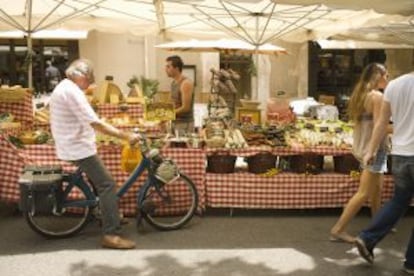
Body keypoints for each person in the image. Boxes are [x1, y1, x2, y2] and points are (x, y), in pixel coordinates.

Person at [49, 58, 140, 249]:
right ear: (79, 76)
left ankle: (108, 214)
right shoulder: (71, 92)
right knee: (107, 184)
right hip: (77, 147)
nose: (90, 84)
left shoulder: (66, 87)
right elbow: (95, 123)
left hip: (74, 143)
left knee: (100, 185)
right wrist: (124, 135)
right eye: (88, 80)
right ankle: (111, 234)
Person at [354, 70, 414, 273]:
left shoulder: (394, 85)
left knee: (399, 200)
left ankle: (367, 237)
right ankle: (412, 262)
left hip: (400, 154)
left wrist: (370, 150)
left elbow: (381, 123)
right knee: (399, 200)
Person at [330, 63, 389, 243]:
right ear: (377, 76)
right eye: (386, 76)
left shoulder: (360, 94)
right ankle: (338, 229)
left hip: (364, 147)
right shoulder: (377, 96)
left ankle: (378, 223)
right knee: (364, 192)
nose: (387, 79)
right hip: (374, 149)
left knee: (377, 189)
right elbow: (381, 127)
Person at [165, 55, 194, 134]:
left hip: (184, 124)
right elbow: (171, 102)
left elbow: (185, 107)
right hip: (174, 122)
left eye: (168, 67)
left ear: (176, 68)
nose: (165, 69)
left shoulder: (186, 83)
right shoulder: (173, 83)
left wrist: (168, 114)